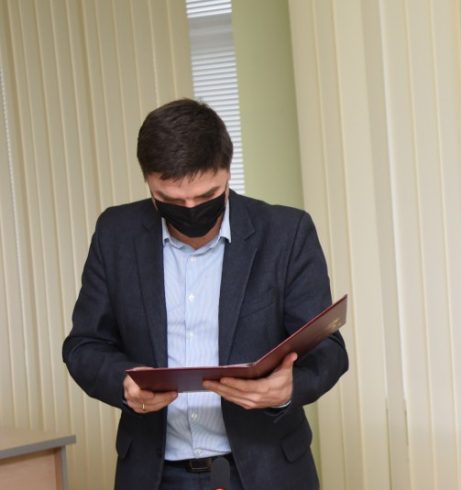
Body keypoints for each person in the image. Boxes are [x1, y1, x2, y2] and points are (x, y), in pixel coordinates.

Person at [62, 98, 348, 489]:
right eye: (171, 200)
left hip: (266, 470)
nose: (191, 208)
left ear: (227, 172)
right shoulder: (116, 234)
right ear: (148, 182)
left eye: (206, 195)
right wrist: (123, 383)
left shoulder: (286, 233)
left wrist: (287, 389)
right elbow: (84, 345)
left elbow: (329, 349)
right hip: (155, 474)